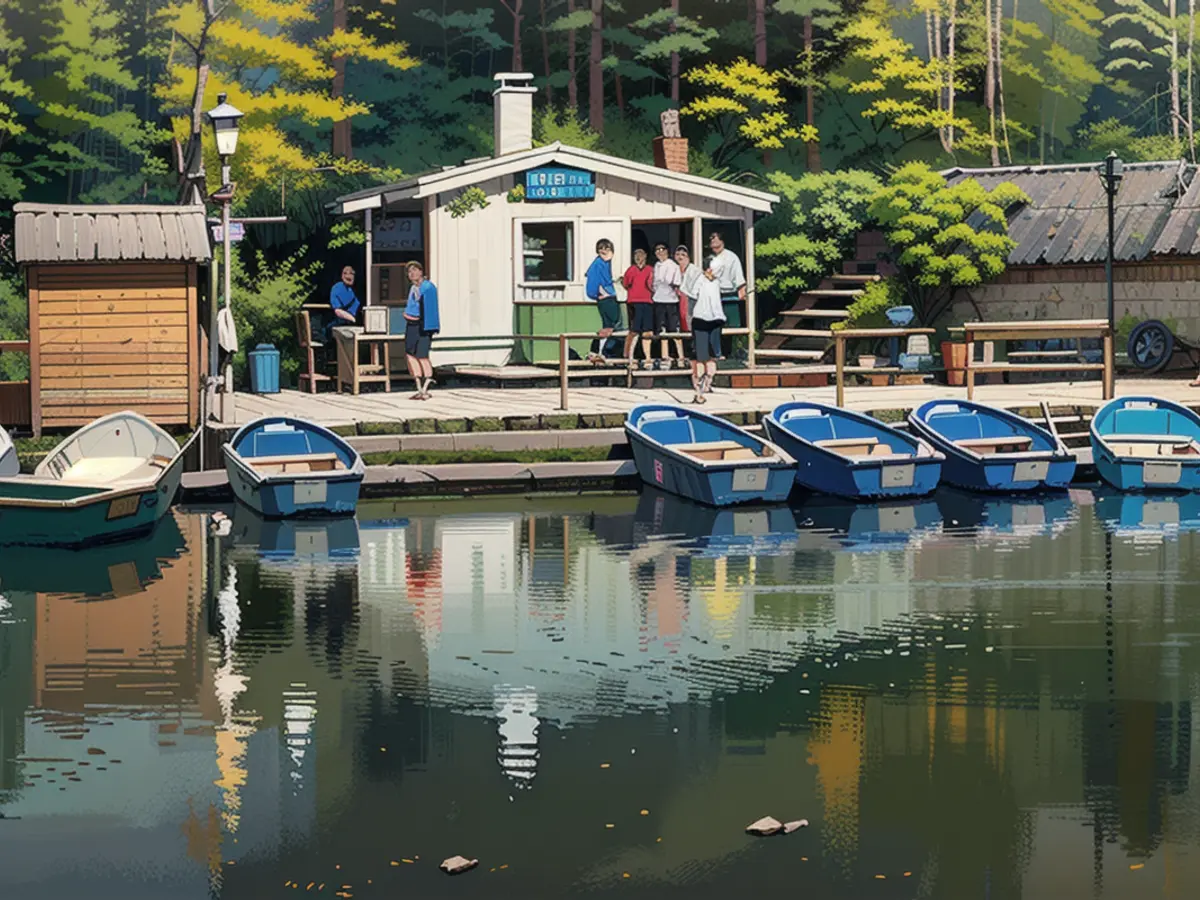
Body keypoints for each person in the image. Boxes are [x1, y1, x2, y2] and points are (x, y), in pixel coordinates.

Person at [686, 256, 726, 404]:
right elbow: (692, 295)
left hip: (716, 320)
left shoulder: (717, 282)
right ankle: (699, 391)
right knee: (700, 358)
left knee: (713, 356)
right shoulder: (700, 280)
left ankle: (707, 384)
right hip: (701, 320)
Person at [403, 261, 440, 400]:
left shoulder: (428, 287)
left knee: (422, 355)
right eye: (409, 271)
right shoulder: (413, 288)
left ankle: (426, 385)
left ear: (420, 271)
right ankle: (418, 385)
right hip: (411, 324)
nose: (411, 274)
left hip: (423, 325)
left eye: (414, 270)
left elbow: (429, 309)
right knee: (410, 353)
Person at [708, 231, 746, 357]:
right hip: (713, 295)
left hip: (729, 295)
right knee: (715, 326)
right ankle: (717, 353)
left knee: (732, 326)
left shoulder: (731, 257)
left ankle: (734, 352)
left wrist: (742, 290)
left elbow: (738, 276)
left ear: (722, 241)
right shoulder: (709, 258)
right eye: (711, 238)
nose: (712, 240)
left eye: (715, 238)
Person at [585, 239, 620, 364]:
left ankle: (599, 352)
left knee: (610, 326)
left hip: (610, 297)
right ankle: (601, 352)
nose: (604, 251)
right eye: (601, 248)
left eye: (607, 248)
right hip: (607, 298)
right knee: (611, 325)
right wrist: (599, 293)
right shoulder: (598, 264)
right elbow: (594, 282)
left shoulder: (609, 262)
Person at [651, 242, 684, 369]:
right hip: (658, 300)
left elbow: (675, 282)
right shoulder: (656, 265)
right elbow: (654, 283)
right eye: (657, 250)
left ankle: (680, 356)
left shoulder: (673, 265)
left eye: (662, 249)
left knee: (674, 329)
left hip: (671, 300)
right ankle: (665, 356)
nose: (659, 252)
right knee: (661, 329)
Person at [623, 247, 655, 367]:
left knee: (647, 331)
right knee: (634, 330)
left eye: (641, 254)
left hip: (647, 302)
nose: (638, 257)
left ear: (646, 255)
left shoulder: (650, 270)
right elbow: (626, 283)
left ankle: (647, 358)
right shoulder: (631, 270)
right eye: (636, 254)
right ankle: (629, 357)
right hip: (633, 302)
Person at [327, 265, 362, 340]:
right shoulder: (337, 288)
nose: (350, 276)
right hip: (343, 324)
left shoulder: (357, 289)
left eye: (352, 273)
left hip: (358, 324)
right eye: (347, 273)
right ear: (342, 276)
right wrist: (353, 320)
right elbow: (338, 311)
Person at [675, 245, 701, 332]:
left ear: (688, 257)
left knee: (689, 320)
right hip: (676, 300)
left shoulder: (694, 270)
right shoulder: (673, 268)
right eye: (678, 254)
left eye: (683, 254)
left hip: (690, 299)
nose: (680, 257)